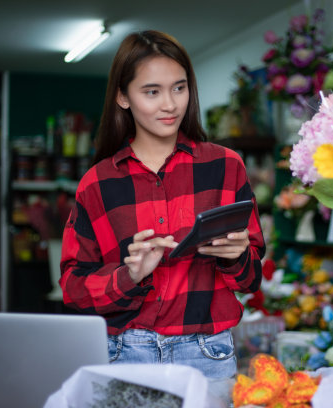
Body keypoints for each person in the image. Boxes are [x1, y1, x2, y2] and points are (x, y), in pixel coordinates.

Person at [59, 30, 265, 386]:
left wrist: (236, 256)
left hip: (208, 354)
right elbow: (72, 289)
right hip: (124, 354)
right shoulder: (97, 184)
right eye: (152, 91)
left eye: (179, 88)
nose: (170, 104)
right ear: (123, 97)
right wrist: (130, 275)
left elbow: (251, 279)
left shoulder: (226, 166)